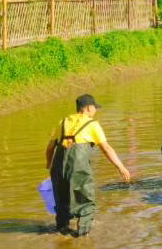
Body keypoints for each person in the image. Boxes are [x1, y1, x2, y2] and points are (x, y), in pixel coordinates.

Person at [43, 94, 131, 236]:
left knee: (62, 198)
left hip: (58, 167)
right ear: (89, 108)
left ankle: (62, 231)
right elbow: (106, 148)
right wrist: (121, 167)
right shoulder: (92, 125)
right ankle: (83, 235)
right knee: (85, 200)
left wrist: (49, 164)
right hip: (78, 168)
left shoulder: (63, 122)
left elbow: (50, 147)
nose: (95, 111)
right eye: (95, 108)